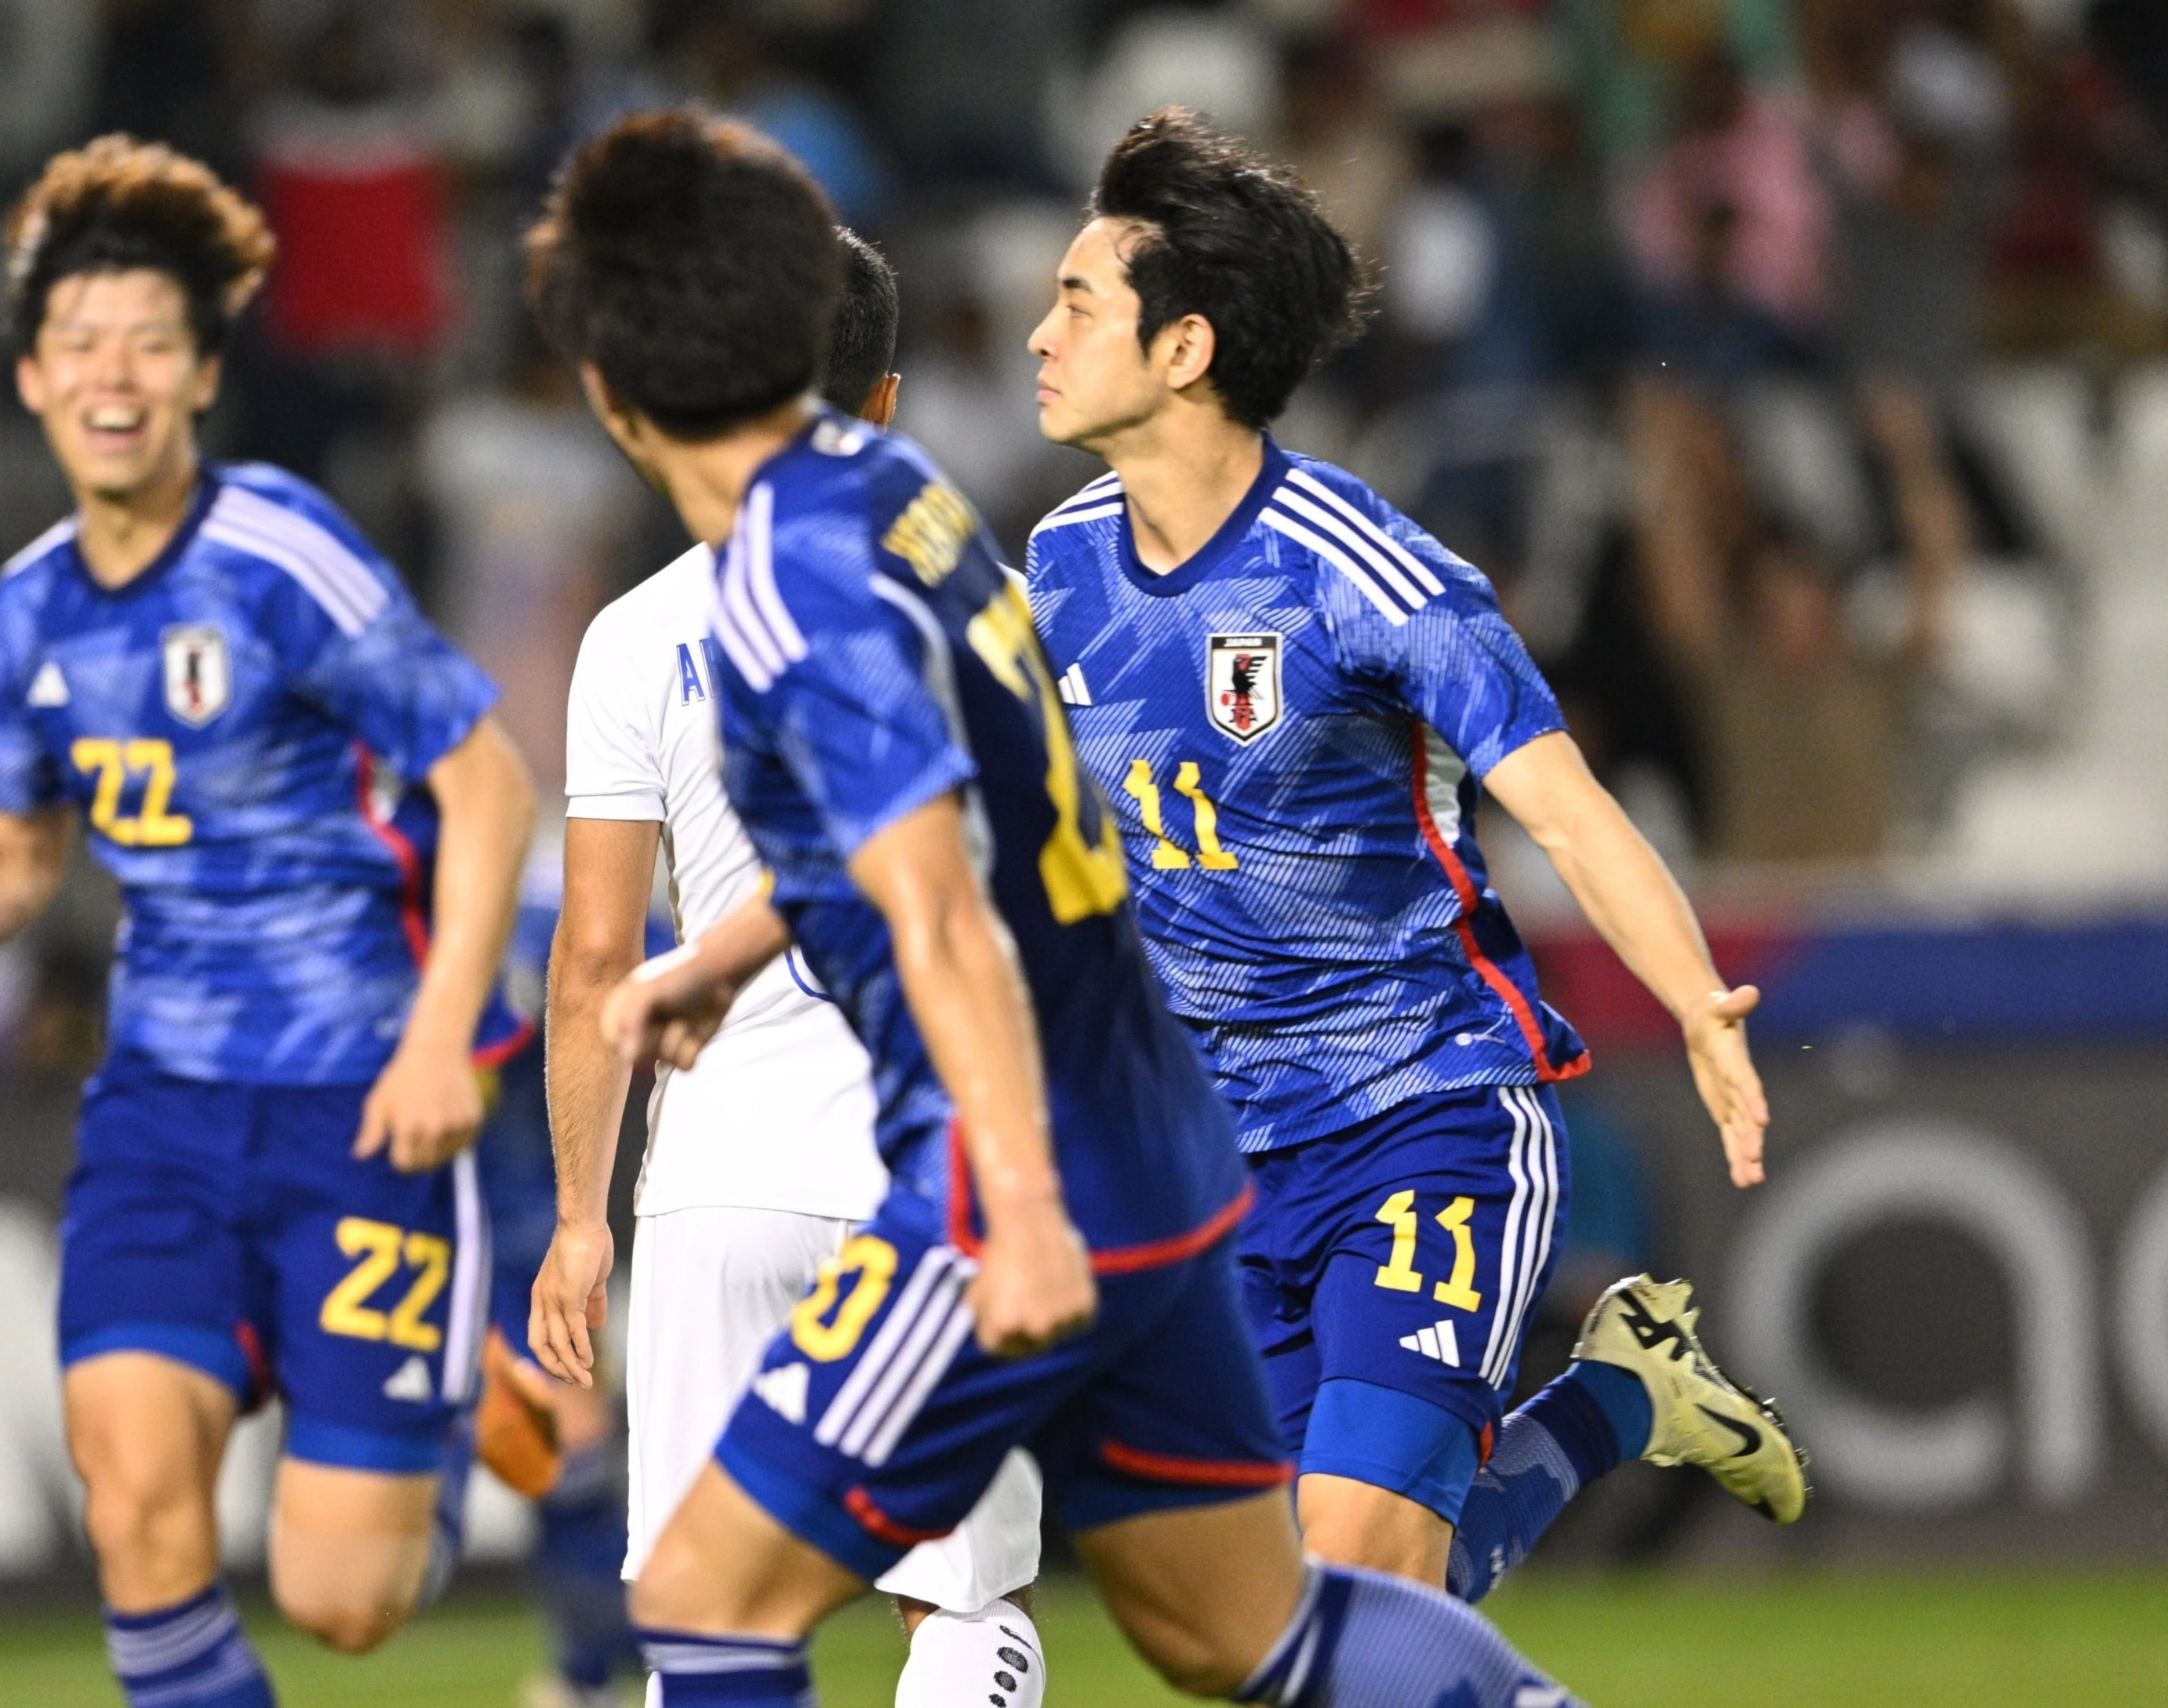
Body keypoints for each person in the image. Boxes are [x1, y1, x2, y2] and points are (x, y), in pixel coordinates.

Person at [529, 107, 1583, 1708]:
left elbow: (949, 906)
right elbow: (974, 840)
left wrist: (1014, 1199)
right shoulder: (932, 527)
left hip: (1001, 1172)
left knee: (721, 1596)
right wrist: (737, 948)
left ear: (628, 397)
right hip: (1137, 1142)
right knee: (1241, 1623)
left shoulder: (791, 582)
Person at [1017, 108, 1806, 1608]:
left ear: (1184, 350)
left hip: (1418, 1113)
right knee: (1303, 1628)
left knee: (1358, 1578)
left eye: (1077, 303)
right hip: (1211, 1154)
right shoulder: (1055, 564)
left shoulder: (1368, 572)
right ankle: (1621, 1396)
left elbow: (1567, 805)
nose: (1041, 335)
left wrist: (1698, 999)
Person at [0, 136, 536, 1707]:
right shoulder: (28, 606)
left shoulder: (279, 550)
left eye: (152, 343)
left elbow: (486, 788)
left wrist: (442, 1046)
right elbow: (18, 857)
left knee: (343, 1598)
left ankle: (423, 1432)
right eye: (81, 343)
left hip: (365, 1099)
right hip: (162, 1105)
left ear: (201, 375)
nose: (115, 372)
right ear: (31, 379)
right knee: (134, 1501)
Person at [531, 228, 1050, 1708]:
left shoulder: (636, 639)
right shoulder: (977, 603)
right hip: (932, 1168)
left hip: (719, 1183)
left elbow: (593, 959)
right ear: (881, 404)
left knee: (712, 1628)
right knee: (961, 1606)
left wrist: (581, 1215)